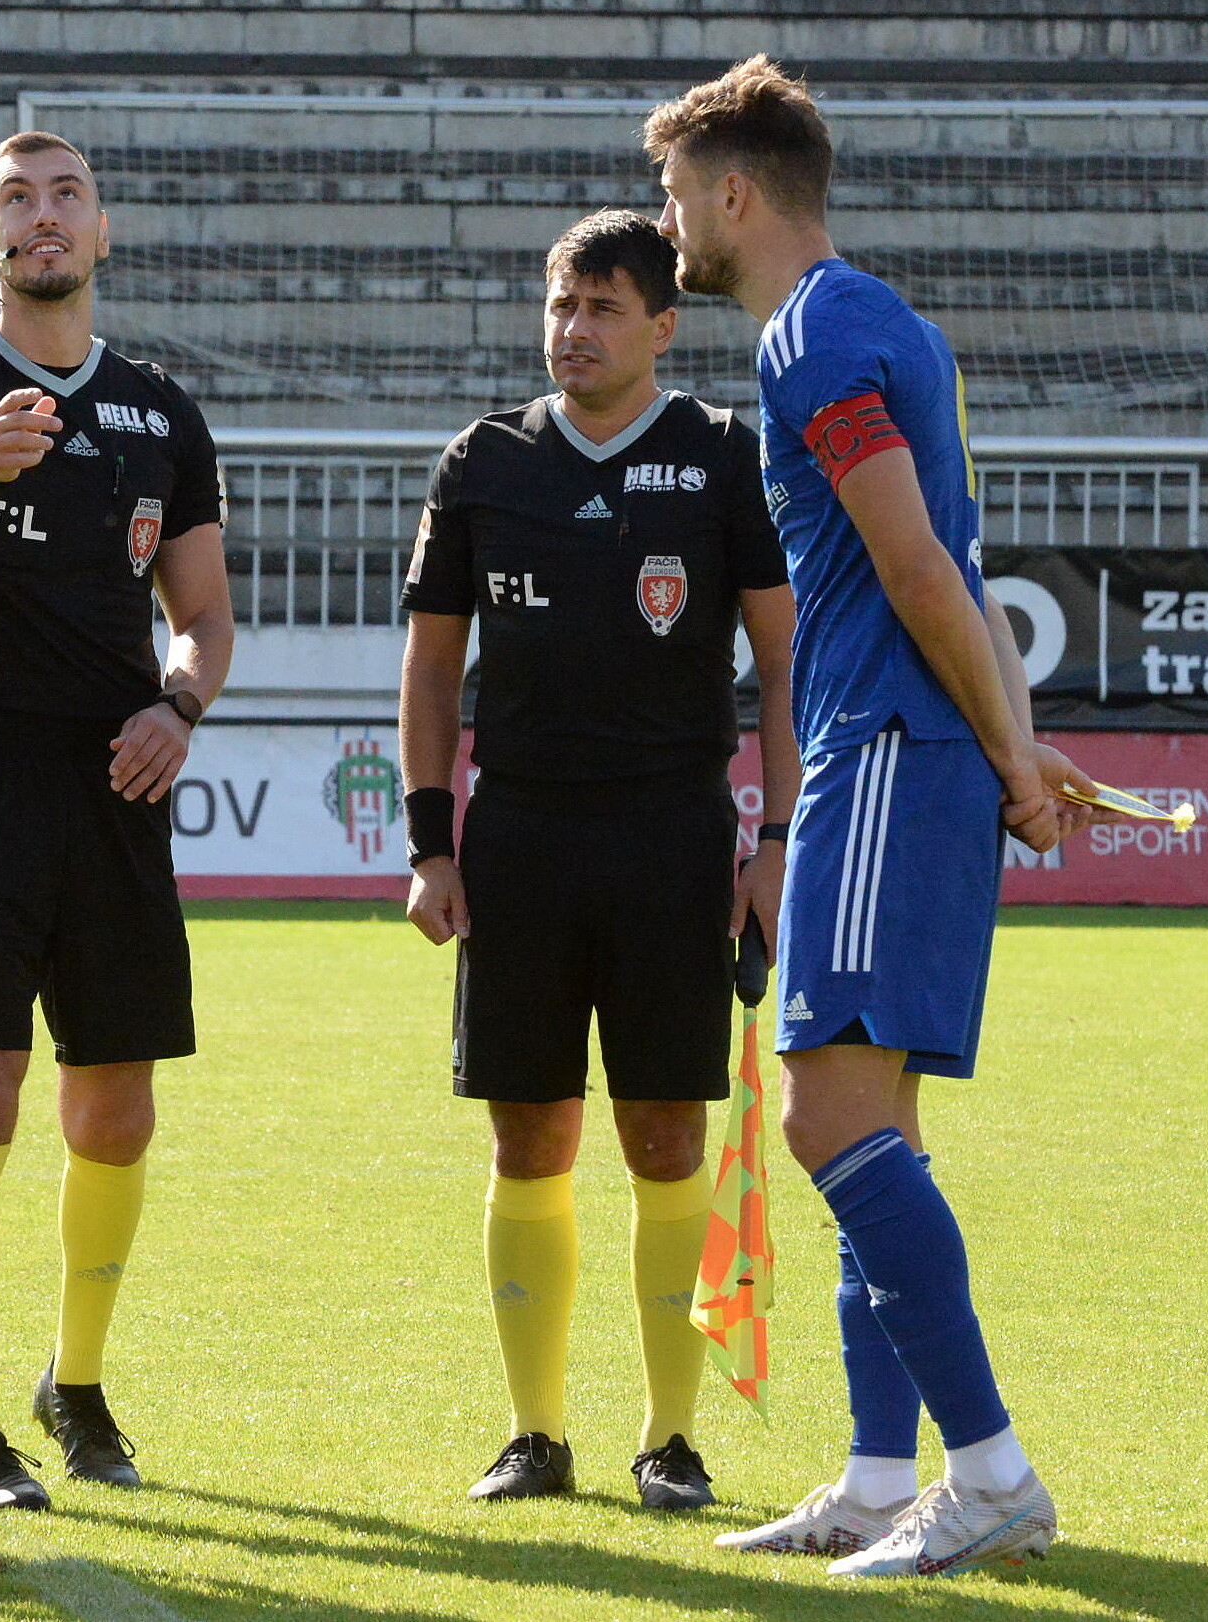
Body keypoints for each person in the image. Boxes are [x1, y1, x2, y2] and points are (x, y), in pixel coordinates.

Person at [645, 56, 1096, 1577]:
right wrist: (1015, 743)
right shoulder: (893, 322)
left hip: (882, 754)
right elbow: (959, 567)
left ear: (734, 192)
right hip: (925, 747)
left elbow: (911, 566)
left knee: (826, 1117)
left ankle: (990, 1474)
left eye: (674, 195)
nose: (668, 225)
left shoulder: (812, 333)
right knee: (876, 1122)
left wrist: (1010, 755)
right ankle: (874, 1474)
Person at [0, 130, 234, 1511]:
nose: (43, 215)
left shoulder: (160, 413)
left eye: (67, 194)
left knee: (116, 1109)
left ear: (101, 231)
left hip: (116, 785)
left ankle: (74, 1380)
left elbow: (203, 617)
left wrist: (178, 705)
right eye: (13, 198)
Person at [399, 209, 800, 1511]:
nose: (573, 331)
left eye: (603, 309)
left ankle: (670, 1439)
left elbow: (783, 660)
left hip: (672, 835)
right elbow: (431, 666)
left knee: (665, 1133)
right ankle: (535, 1433)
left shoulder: (721, 454)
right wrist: (431, 841)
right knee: (528, 1134)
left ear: (662, 327)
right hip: (517, 836)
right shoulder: (483, 461)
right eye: (560, 307)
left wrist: (777, 841)